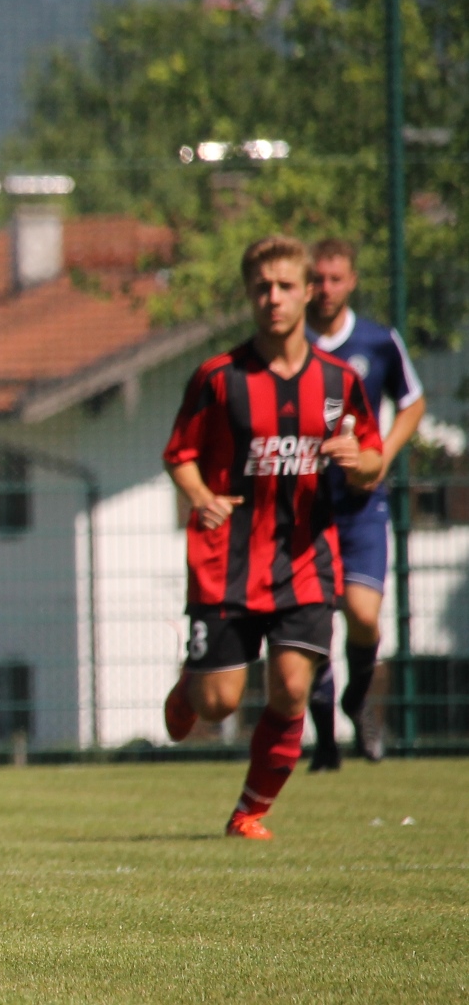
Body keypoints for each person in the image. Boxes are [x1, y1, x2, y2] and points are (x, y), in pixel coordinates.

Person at [160, 236, 382, 840]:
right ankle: (193, 682)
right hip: (225, 564)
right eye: (263, 288)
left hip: (305, 562)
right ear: (249, 295)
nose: (274, 298)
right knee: (217, 706)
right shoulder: (218, 378)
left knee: (289, 687)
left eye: (286, 286)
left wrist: (356, 458)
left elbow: (373, 461)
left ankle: (249, 812)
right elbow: (179, 454)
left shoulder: (339, 382)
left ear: (309, 292)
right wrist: (201, 496)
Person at [303, 238, 425, 769]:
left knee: (363, 615)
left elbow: (412, 402)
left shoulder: (377, 341)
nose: (325, 288)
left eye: (335, 278)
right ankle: (325, 738)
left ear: (351, 281)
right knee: (310, 625)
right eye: (317, 278)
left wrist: (382, 456)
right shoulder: (289, 343)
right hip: (304, 507)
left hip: (361, 505)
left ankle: (357, 699)